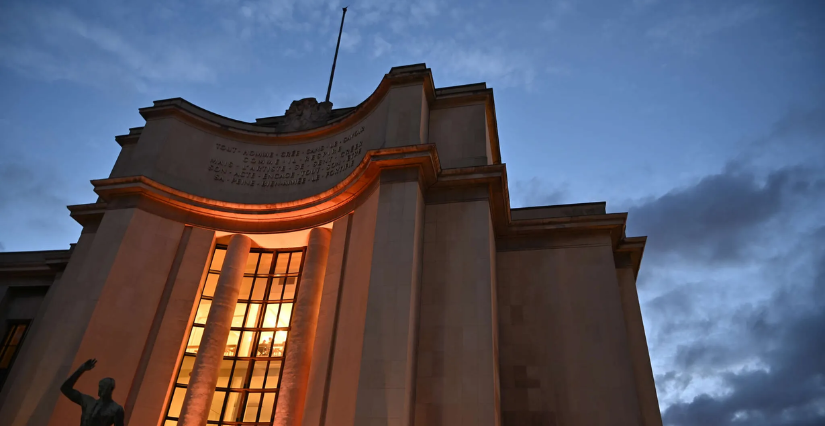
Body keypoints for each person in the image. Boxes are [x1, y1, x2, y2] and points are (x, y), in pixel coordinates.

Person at [60, 358, 124, 426]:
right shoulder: (88, 401)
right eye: (100, 387)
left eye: (103, 388)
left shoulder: (116, 409)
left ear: (110, 389)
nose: (100, 390)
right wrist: (81, 369)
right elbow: (65, 388)